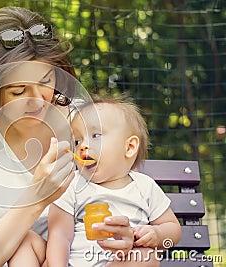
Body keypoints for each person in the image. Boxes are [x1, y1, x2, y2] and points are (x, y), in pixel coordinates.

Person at [0, 6, 137, 267]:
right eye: (18, 91)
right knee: (22, 241)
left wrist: (128, 234)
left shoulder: (85, 121)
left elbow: (129, 192)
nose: (38, 101)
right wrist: (36, 199)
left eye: (46, 81)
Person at [46, 95, 182, 267]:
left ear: (130, 147)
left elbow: (172, 227)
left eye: (95, 135)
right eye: (77, 140)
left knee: (146, 256)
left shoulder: (144, 186)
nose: (82, 146)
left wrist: (158, 233)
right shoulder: (71, 184)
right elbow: (59, 235)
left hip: (121, 263)